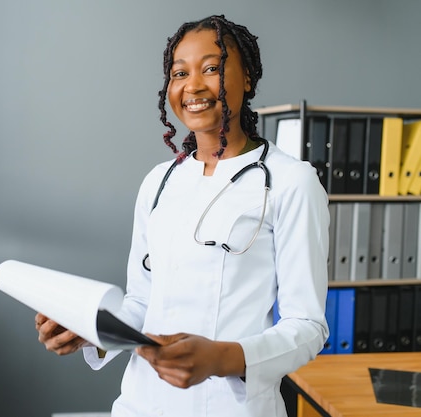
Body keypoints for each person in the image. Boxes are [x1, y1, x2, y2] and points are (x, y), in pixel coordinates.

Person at [35, 14, 329, 417]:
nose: (193, 85)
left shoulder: (291, 182)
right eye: (179, 73)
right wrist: (92, 332)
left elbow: (307, 326)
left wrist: (221, 358)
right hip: (141, 403)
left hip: (231, 408)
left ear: (247, 79)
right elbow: (142, 300)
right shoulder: (159, 182)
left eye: (212, 68)